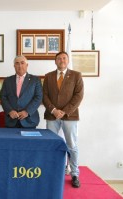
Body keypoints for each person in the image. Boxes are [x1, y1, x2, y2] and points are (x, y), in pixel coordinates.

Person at [42, 51, 84, 188]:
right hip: (51, 115)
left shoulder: (76, 75)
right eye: (59, 58)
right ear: (55, 61)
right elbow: (45, 95)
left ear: (68, 60)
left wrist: (64, 111)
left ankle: (74, 173)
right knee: (51, 145)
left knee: (72, 145)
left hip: (70, 116)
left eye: (64, 58)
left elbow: (78, 96)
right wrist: (54, 110)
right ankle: (52, 172)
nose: (61, 60)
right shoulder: (48, 77)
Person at [0, 55, 42, 128]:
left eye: (22, 63)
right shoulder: (7, 81)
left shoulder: (35, 80)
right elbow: (3, 97)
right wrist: (10, 111)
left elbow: (38, 97)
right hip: (11, 120)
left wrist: (27, 112)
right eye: (17, 63)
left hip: (29, 120)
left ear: (27, 65)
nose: (20, 65)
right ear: (14, 66)